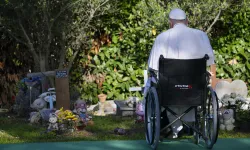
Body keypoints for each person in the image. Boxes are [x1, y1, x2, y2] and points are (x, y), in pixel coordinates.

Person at [146, 8, 216, 138]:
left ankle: (171, 128)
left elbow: (153, 66)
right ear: (187, 22)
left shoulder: (162, 37)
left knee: (152, 82)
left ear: (170, 23)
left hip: (169, 90)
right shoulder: (201, 36)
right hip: (194, 90)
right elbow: (210, 61)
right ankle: (189, 126)